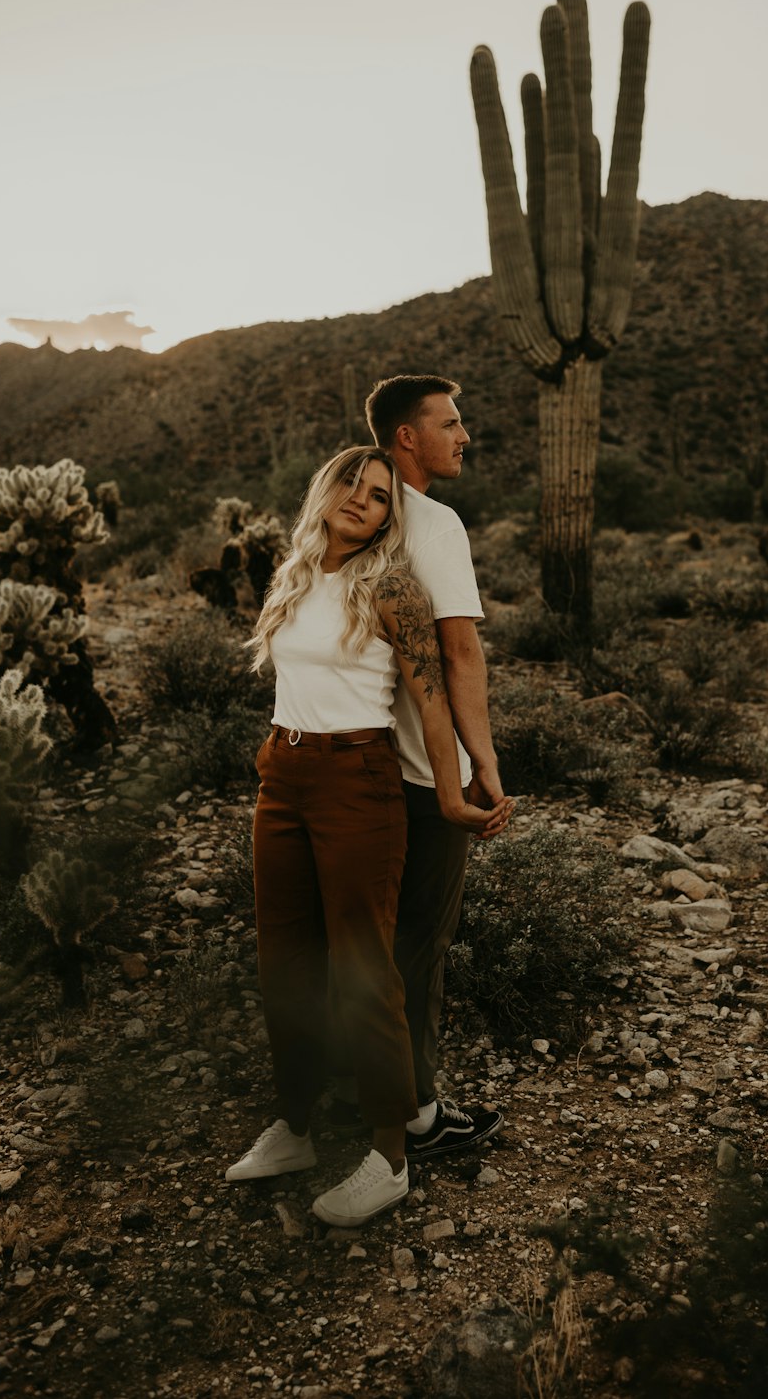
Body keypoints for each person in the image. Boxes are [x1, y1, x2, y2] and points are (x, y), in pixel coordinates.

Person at [224, 446, 512, 1227]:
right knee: (284, 956)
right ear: (325, 488)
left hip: (359, 782)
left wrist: (453, 796)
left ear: (390, 516)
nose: (362, 500)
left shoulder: (390, 588)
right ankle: (295, 1126)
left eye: (381, 496)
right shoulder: (293, 575)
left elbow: (432, 702)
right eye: (352, 483)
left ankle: (389, 1157)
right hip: (282, 778)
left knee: (363, 965)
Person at [356, 373, 510, 1161]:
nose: (464, 436)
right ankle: (416, 1114)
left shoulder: (346, 518)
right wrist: (484, 765)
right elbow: (459, 652)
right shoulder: (435, 523)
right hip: (422, 771)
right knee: (420, 943)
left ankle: (356, 1096)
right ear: (405, 437)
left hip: (349, 764)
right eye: (449, 423)